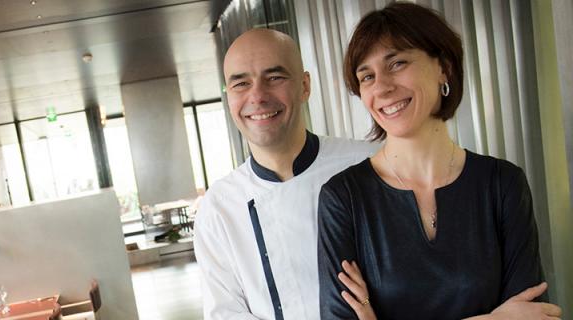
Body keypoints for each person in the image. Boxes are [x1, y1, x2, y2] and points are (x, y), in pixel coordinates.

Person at [317, 2, 562, 320]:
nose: (382, 87)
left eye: (397, 63)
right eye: (366, 77)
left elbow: (534, 315)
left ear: (443, 67)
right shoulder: (343, 198)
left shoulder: (502, 184)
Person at [193, 28, 377, 319]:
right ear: (228, 98)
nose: (258, 96)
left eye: (275, 78)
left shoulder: (369, 163)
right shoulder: (218, 207)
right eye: (241, 83)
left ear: (305, 86)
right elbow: (226, 314)